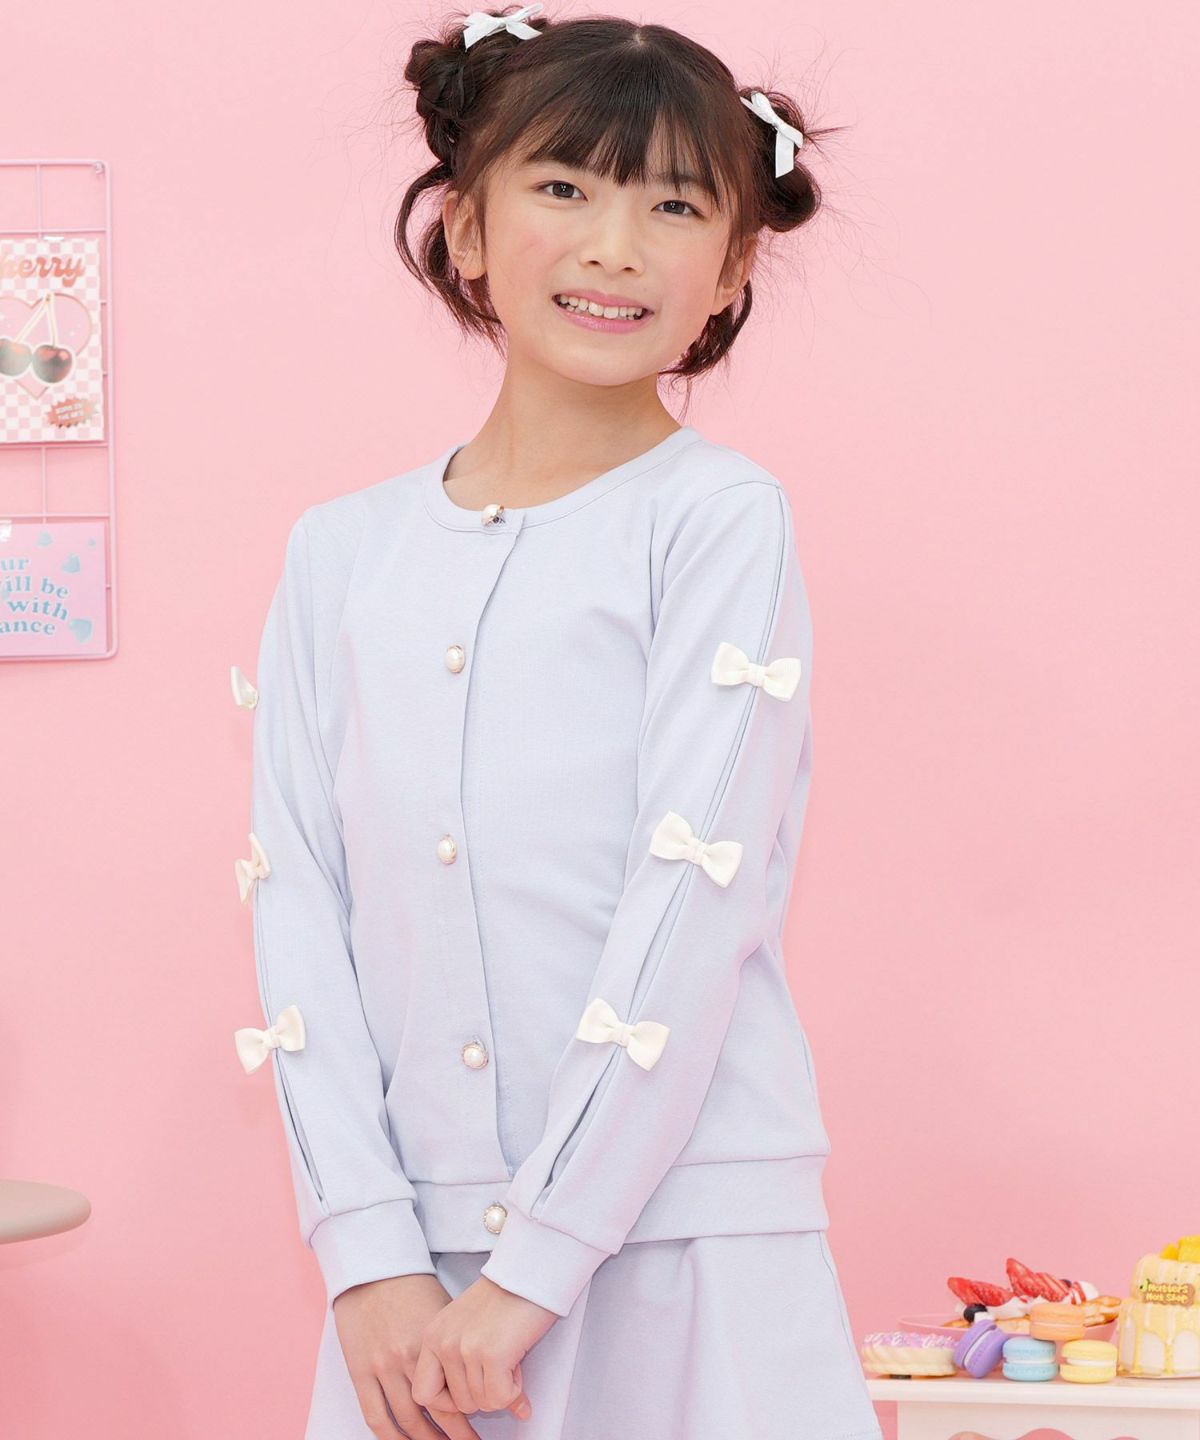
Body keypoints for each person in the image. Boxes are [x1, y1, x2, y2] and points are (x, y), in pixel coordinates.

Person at [233, 6, 884, 1438]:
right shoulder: (340, 554)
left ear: (734, 267)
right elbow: (299, 908)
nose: (614, 246)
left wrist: (536, 1267)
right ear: (467, 228)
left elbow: (690, 902)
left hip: (683, 1243)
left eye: (674, 206)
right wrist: (366, 1255)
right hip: (414, 1282)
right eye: (564, 186)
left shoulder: (718, 522)